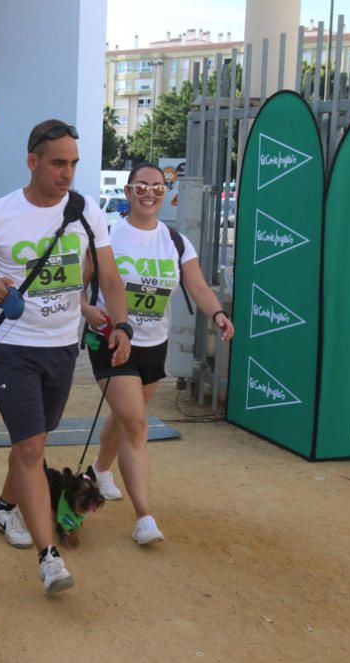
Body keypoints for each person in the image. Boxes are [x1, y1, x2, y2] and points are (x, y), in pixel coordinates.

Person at [0, 119, 133, 596]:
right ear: (33, 161)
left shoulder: (85, 212)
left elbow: (111, 280)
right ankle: (48, 557)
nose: (67, 173)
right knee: (33, 448)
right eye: (58, 162)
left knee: (29, 442)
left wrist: (118, 324)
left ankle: (3, 507)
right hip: (13, 347)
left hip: (61, 347)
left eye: (73, 163)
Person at [80, 162, 234, 545]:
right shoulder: (108, 236)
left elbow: (197, 286)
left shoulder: (176, 241)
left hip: (154, 343)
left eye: (158, 187)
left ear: (166, 193)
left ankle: (100, 470)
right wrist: (86, 310)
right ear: (128, 191)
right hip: (111, 340)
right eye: (141, 186)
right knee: (136, 425)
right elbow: (76, 285)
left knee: (127, 416)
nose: (150, 193)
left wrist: (216, 313)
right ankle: (144, 517)